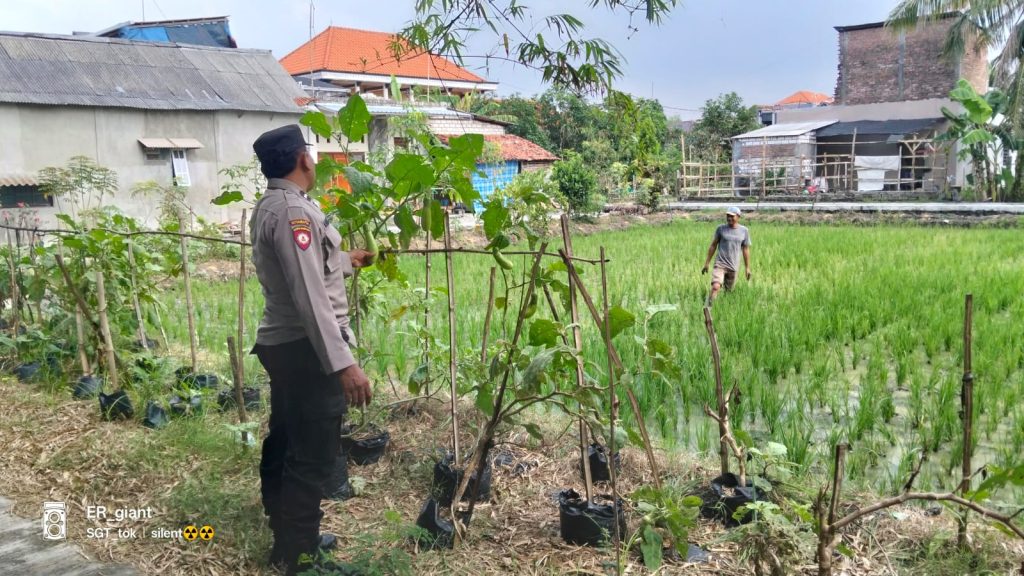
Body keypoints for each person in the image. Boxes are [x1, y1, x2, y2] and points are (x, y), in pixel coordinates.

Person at [249, 124, 374, 575]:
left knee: (285, 438)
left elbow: (305, 266)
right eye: (313, 154)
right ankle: (302, 558)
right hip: (306, 349)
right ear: (304, 159)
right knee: (314, 454)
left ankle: (287, 539)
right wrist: (344, 363)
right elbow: (308, 295)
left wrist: (346, 259)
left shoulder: (276, 205)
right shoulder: (292, 214)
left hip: (285, 346)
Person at [701, 206, 751, 304]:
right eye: (728, 216)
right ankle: (708, 307)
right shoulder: (721, 229)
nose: (729, 218)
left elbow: (745, 249)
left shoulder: (744, 231)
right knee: (716, 286)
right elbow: (713, 245)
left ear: (738, 216)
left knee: (728, 292)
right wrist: (707, 263)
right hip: (720, 264)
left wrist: (747, 268)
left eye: (732, 216)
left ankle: (721, 308)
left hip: (733, 266)